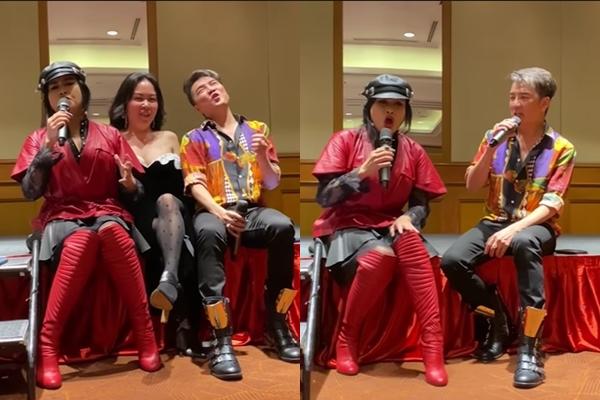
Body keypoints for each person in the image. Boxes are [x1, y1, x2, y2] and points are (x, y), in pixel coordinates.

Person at [11, 61, 161, 389]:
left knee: (112, 232)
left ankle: (146, 336)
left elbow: (136, 193)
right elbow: (30, 192)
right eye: (54, 88)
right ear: (48, 99)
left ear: (83, 90)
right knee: (81, 239)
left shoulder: (110, 135)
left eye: (69, 84)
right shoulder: (38, 138)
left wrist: (129, 185)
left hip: (107, 211)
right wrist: (46, 152)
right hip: (61, 215)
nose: (62, 92)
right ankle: (47, 347)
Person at [440, 67, 576, 389]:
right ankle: (497, 319)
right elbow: (472, 185)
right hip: (494, 220)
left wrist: (514, 230)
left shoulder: (561, 147)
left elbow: (552, 203)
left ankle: (530, 346)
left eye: (523, 97)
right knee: (452, 260)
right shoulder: (495, 138)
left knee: (525, 241)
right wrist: (490, 147)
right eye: (512, 97)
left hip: (537, 225)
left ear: (544, 103)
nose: (515, 104)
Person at [312, 74, 448, 386]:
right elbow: (324, 198)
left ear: (405, 111)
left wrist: (410, 217)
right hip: (347, 224)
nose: (390, 110)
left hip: (390, 223)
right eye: (383, 103)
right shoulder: (344, 140)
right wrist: (361, 172)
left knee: (411, 241)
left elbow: (421, 204)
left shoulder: (414, 150)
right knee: (380, 257)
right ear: (369, 107)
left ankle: (433, 347)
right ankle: (347, 337)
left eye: (398, 105)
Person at [180, 69, 300, 380]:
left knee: (283, 226)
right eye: (202, 91)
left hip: (253, 211)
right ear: (198, 107)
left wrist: (261, 156)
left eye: (214, 84)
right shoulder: (193, 138)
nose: (211, 89)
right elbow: (194, 183)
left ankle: (277, 323)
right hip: (213, 209)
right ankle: (220, 339)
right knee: (207, 231)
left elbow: (271, 182)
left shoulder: (258, 130)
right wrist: (219, 213)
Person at [109, 72, 193, 325]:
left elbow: (185, 184)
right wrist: (129, 186)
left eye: (152, 99)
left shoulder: (169, 137)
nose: (146, 105)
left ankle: (168, 278)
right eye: (138, 98)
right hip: (137, 215)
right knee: (159, 225)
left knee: (167, 200)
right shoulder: (114, 139)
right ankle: (171, 285)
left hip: (176, 210)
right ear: (125, 103)